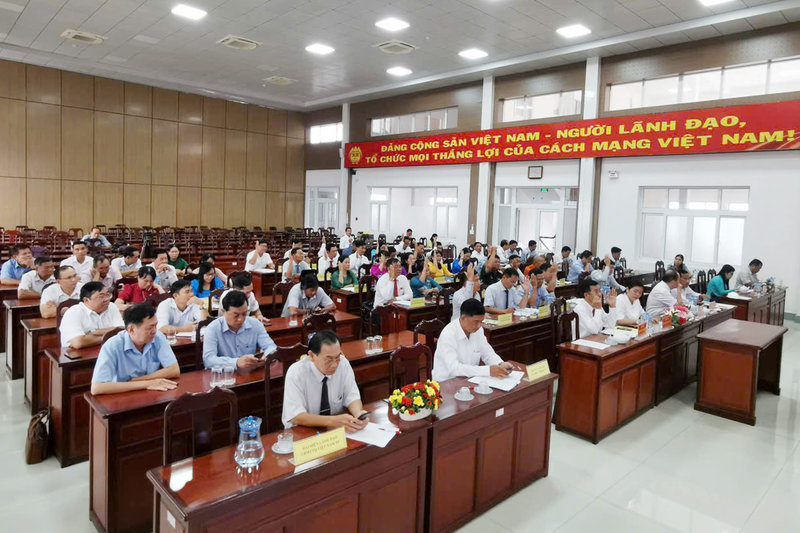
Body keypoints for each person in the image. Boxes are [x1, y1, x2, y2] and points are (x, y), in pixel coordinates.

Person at [281, 330, 368, 432]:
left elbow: (352, 396)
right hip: (303, 431)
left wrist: (358, 414)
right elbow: (296, 416)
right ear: (312, 356)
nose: (334, 364)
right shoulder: (297, 372)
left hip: (335, 429)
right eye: (329, 359)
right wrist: (332, 421)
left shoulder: (343, 364)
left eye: (337, 358)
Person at [90, 303, 180, 395]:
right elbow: (97, 388)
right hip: (121, 395)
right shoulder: (112, 346)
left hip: (151, 394)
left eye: (155, 326)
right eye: (150, 327)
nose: (154, 331)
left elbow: (174, 370)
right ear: (131, 329)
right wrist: (147, 384)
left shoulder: (158, 337)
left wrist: (137, 380)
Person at [432, 299, 515, 381]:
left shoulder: (478, 330)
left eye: (481, 321)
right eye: (476, 321)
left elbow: (487, 353)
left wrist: (500, 364)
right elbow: (454, 369)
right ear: (463, 317)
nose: (479, 326)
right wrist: (488, 371)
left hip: (469, 379)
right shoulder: (448, 334)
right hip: (446, 381)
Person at [202, 290, 277, 369]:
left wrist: (267, 356)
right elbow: (208, 360)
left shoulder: (255, 324)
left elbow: (271, 347)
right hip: (225, 374)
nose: (240, 319)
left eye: (244, 314)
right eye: (236, 315)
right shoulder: (213, 328)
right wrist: (236, 363)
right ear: (223, 311)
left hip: (250, 372)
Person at [60, 282, 124, 349]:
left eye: (108, 295)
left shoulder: (111, 306)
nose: (107, 299)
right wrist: (107, 337)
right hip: (77, 353)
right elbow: (78, 342)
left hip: (105, 349)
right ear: (86, 300)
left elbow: (121, 330)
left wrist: (93, 332)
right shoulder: (73, 312)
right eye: (101, 296)